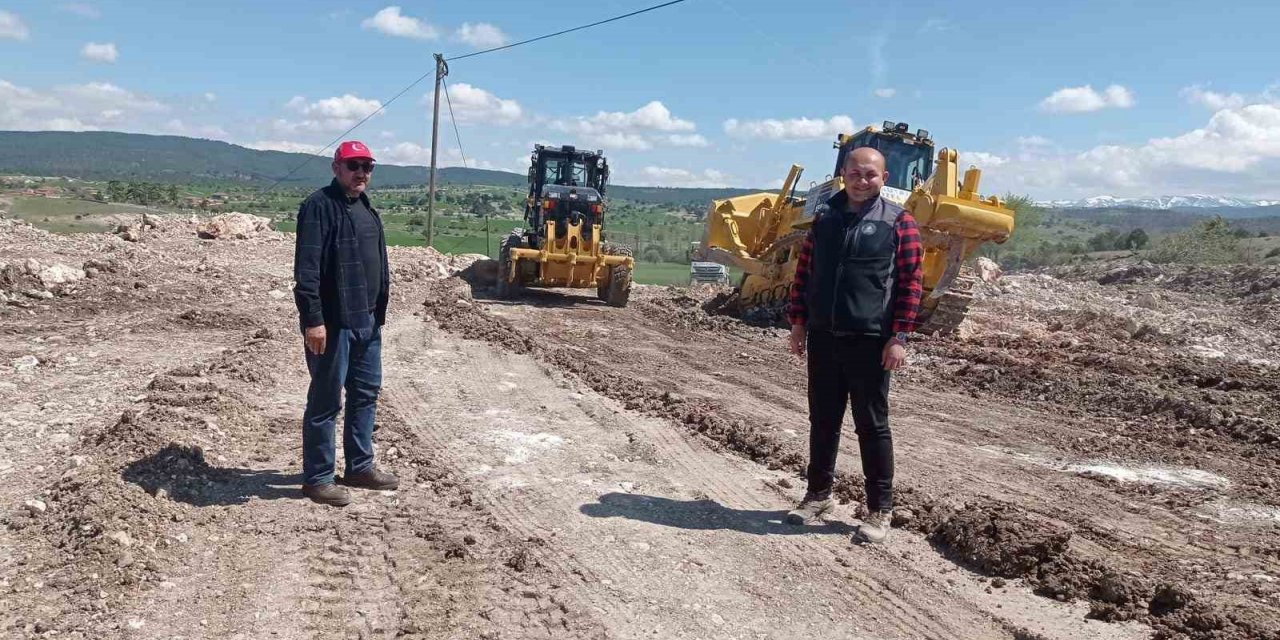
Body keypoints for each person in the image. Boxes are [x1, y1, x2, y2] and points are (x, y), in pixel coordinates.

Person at [783, 147, 923, 543]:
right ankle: (818, 496)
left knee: (872, 425)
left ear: (884, 178)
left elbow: (912, 282)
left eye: (871, 175)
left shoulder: (899, 221)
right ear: (843, 174)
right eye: (856, 173)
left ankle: (879, 510)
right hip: (824, 336)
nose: (863, 181)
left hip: (871, 340)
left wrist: (899, 336)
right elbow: (804, 274)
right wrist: (798, 323)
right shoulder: (824, 218)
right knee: (823, 420)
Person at [292, 140, 398, 507]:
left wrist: (376, 314)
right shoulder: (319, 206)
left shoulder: (364, 206)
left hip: (367, 320)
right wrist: (313, 321)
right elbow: (306, 270)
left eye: (367, 166)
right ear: (336, 168)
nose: (361, 173)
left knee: (365, 393)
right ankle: (318, 478)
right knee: (325, 400)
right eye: (353, 165)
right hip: (333, 324)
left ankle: (359, 467)